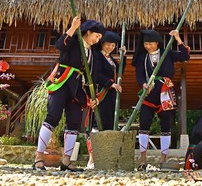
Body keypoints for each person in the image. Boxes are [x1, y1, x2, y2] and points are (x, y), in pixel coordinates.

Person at [32, 16, 105, 172]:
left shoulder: (92, 53)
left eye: (100, 38)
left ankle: (66, 160)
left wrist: (93, 97)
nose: (97, 40)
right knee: (52, 117)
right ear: (89, 31)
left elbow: (92, 76)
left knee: (74, 122)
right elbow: (60, 45)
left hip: (77, 88)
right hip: (62, 82)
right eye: (96, 36)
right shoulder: (74, 41)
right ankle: (38, 158)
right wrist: (73, 27)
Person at [131, 29, 190, 170]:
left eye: (150, 44)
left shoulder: (167, 53)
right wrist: (143, 84)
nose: (148, 46)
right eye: (145, 44)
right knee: (144, 124)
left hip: (165, 93)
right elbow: (139, 75)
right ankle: (143, 158)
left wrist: (177, 38)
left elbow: (184, 56)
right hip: (149, 93)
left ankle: (164, 158)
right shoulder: (142, 58)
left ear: (157, 43)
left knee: (166, 125)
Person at [85, 31, 126, 169]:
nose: (110, 47)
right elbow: (95, 74)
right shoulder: (97, 56)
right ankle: (92, 158)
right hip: (100, 93)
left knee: (108, 124)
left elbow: (120, 70)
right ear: (102, 44)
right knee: (97, 124)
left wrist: (123, 56)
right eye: (108, 44)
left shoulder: (111, 59)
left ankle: (105, 158)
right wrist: (110, 84)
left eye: (113, 45)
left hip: (110, 96)